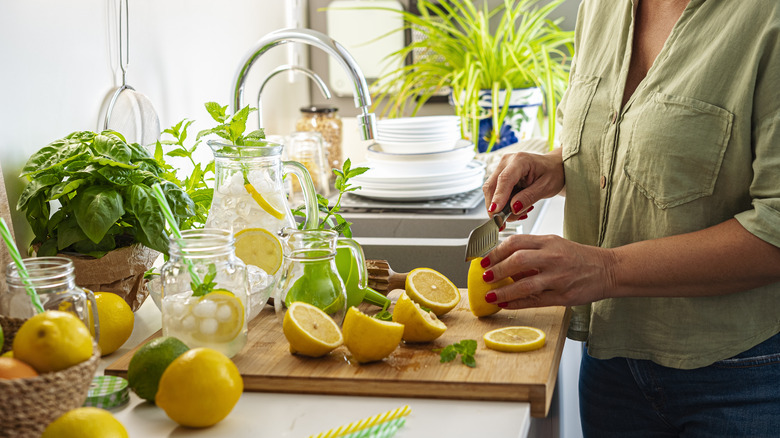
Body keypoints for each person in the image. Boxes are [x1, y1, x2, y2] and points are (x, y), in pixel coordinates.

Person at [480, 0, 780, 436]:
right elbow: (632, 137)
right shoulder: (601, 6)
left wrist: (606, 268)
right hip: (610, 365)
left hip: (740, 375)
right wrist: (556, 165)